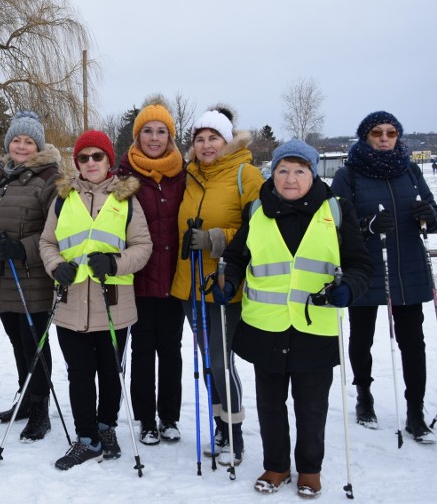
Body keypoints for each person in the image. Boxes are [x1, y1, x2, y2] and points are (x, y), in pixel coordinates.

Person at [217, 140, 372, 497]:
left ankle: (310, 470)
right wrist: (228, 279)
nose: (290, 178)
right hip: (265, 326)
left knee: (312, 405)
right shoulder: (257, 210)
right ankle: (276, 466)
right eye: (283, 170)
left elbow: (361, 264)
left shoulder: (336, 210)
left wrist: (349, 287)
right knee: (271, 404)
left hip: (314, 329)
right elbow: (237, 255)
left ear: (312, 173)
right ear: (273, 172)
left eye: (299, 170)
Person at [39, 129, 152, 470]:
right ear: (77, 162)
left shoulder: (126, 200)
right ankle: (86, 438)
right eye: (84, 157)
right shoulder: (63, 198)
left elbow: (142, 246)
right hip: (71, 302)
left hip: (112, 302)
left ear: (108, 160)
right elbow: (47, 242)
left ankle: (106, 428)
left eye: (97, 156)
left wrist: (115, 262)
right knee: (79, 374)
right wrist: (56, 266)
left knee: (110, 372)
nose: (90, 163)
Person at [330, 111, 436, 443]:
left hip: (407, 266)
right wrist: (368, 226)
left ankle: (415, 412)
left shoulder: (410, 169)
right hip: (365, 267)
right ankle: (364, 396)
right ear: (366, 137)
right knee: (362, 338)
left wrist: (428, 216)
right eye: (377, 133)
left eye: (391, 132)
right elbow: (335, 224)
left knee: (413, 342)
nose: (385, 138)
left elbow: (432, 216)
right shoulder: (349, 175)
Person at [169, 106, 263, 460]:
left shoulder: (246, 174)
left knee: (222, 362)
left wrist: (214, 239)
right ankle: (220, 430)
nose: (206, 145)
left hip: (224, 283)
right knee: (209, 362)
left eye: (214, 138)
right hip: (190, 285)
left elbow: (261, 228)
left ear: (227, 140)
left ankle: (235, 435)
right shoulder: (191, 175)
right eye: (200, 139)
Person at [0, 110, 61, 441]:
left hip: (31, 276)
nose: (21, 146)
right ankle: (25, 398)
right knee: (16, 340)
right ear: (9, 143)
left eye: (29, 141)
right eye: (16, 140)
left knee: (34, 343)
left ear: (38, 145)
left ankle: (40, 409)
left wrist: (24, 247)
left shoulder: (50, 179)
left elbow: (59, 230)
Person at [113, 102, 186, 446]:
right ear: (137, 135)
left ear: (171, 136)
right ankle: (146, 419)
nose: (154, 138)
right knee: (143, 350)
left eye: (161, 131)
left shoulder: (184, 173)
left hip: (174, 277)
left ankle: (170, 416)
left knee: (171, 349)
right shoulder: (123, 175)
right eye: (147, 131)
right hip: (138, 278)